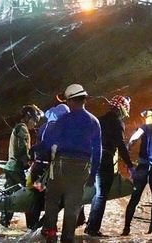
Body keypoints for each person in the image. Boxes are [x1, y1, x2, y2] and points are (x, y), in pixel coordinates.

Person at [42, 84, 102, 243]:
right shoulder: (94, 121)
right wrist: (92, 175)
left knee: (52, 200)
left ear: (71, 101)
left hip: (61, 165)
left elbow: (48, 143)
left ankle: (51, 234)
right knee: (73, 206)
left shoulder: (63, 120)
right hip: (82, 168)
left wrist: (41, 153)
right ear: (83, 99)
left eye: (67, 101)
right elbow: (97, 152)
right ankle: (67, 238)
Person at [85, 95, 135, 237]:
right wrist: (130, 166)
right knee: (101, 195)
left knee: (97, 193)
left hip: (93, 159)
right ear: (122, 109)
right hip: (105, 160)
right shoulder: (118, 122)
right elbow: (120, 145)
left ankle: (90, 225)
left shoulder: (99, 120)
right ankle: (93, 229)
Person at [121, 108, 152, 236]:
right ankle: (151, 229)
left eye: (147, 116)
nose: (145, 118)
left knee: (134, 199)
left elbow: (134, 138)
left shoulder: (145, 128)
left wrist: (128, 146)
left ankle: (126, 229)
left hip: (142, 168)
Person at [28, 103, 71, 230]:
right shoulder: (57, 128)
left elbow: (39, 146)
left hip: (37, 169)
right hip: (48, 171)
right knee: (59, 199)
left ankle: (32, 228)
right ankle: (45, 226)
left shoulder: (43, 127)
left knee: (37, 197)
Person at [0, 104, 44, 228]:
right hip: (16, 169)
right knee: (26, 196)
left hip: (11, 168)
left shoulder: (18, 127)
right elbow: (22, 149)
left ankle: (4, 224)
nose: (35, 124)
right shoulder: (23, 128)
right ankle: (31, 226)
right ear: (28, 117)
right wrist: (29, 161)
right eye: (34, 120)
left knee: (11, 197)